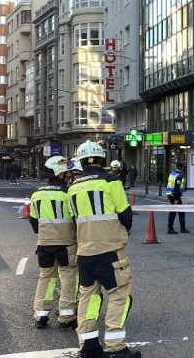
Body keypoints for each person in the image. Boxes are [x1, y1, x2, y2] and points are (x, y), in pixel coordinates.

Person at [68, 140, 140, 358]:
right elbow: (125, 214)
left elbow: (74, 219)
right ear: (102, 159)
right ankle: (115, 347)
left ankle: (88, 346)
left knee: (88, 298)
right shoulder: (111, 181)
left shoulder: (73, 187)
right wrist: (121, 233)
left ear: (81, 162)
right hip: (110, 250)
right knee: (120, 295)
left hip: (84, 252)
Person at [29, 156, 78, 330]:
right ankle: (67, 316)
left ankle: (41, 315)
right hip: (66, 244)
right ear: (60, 174)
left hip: (43, 244)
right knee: (69, 277)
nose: (70, 174)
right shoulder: (68, 193)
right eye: (67, 171)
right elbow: (76, 218)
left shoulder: (36, 194)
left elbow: (34, 222)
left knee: (46, 277)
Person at [166, 161, 188, 234]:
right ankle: (171, 228)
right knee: (174, 212)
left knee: (180, 211)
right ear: (182, 168)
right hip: (175, 195)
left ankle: (181, 228)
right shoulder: (179, 176)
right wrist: (177, 199)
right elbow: (177, 188)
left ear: (176, 167)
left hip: (170, 194)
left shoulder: (172, 174)